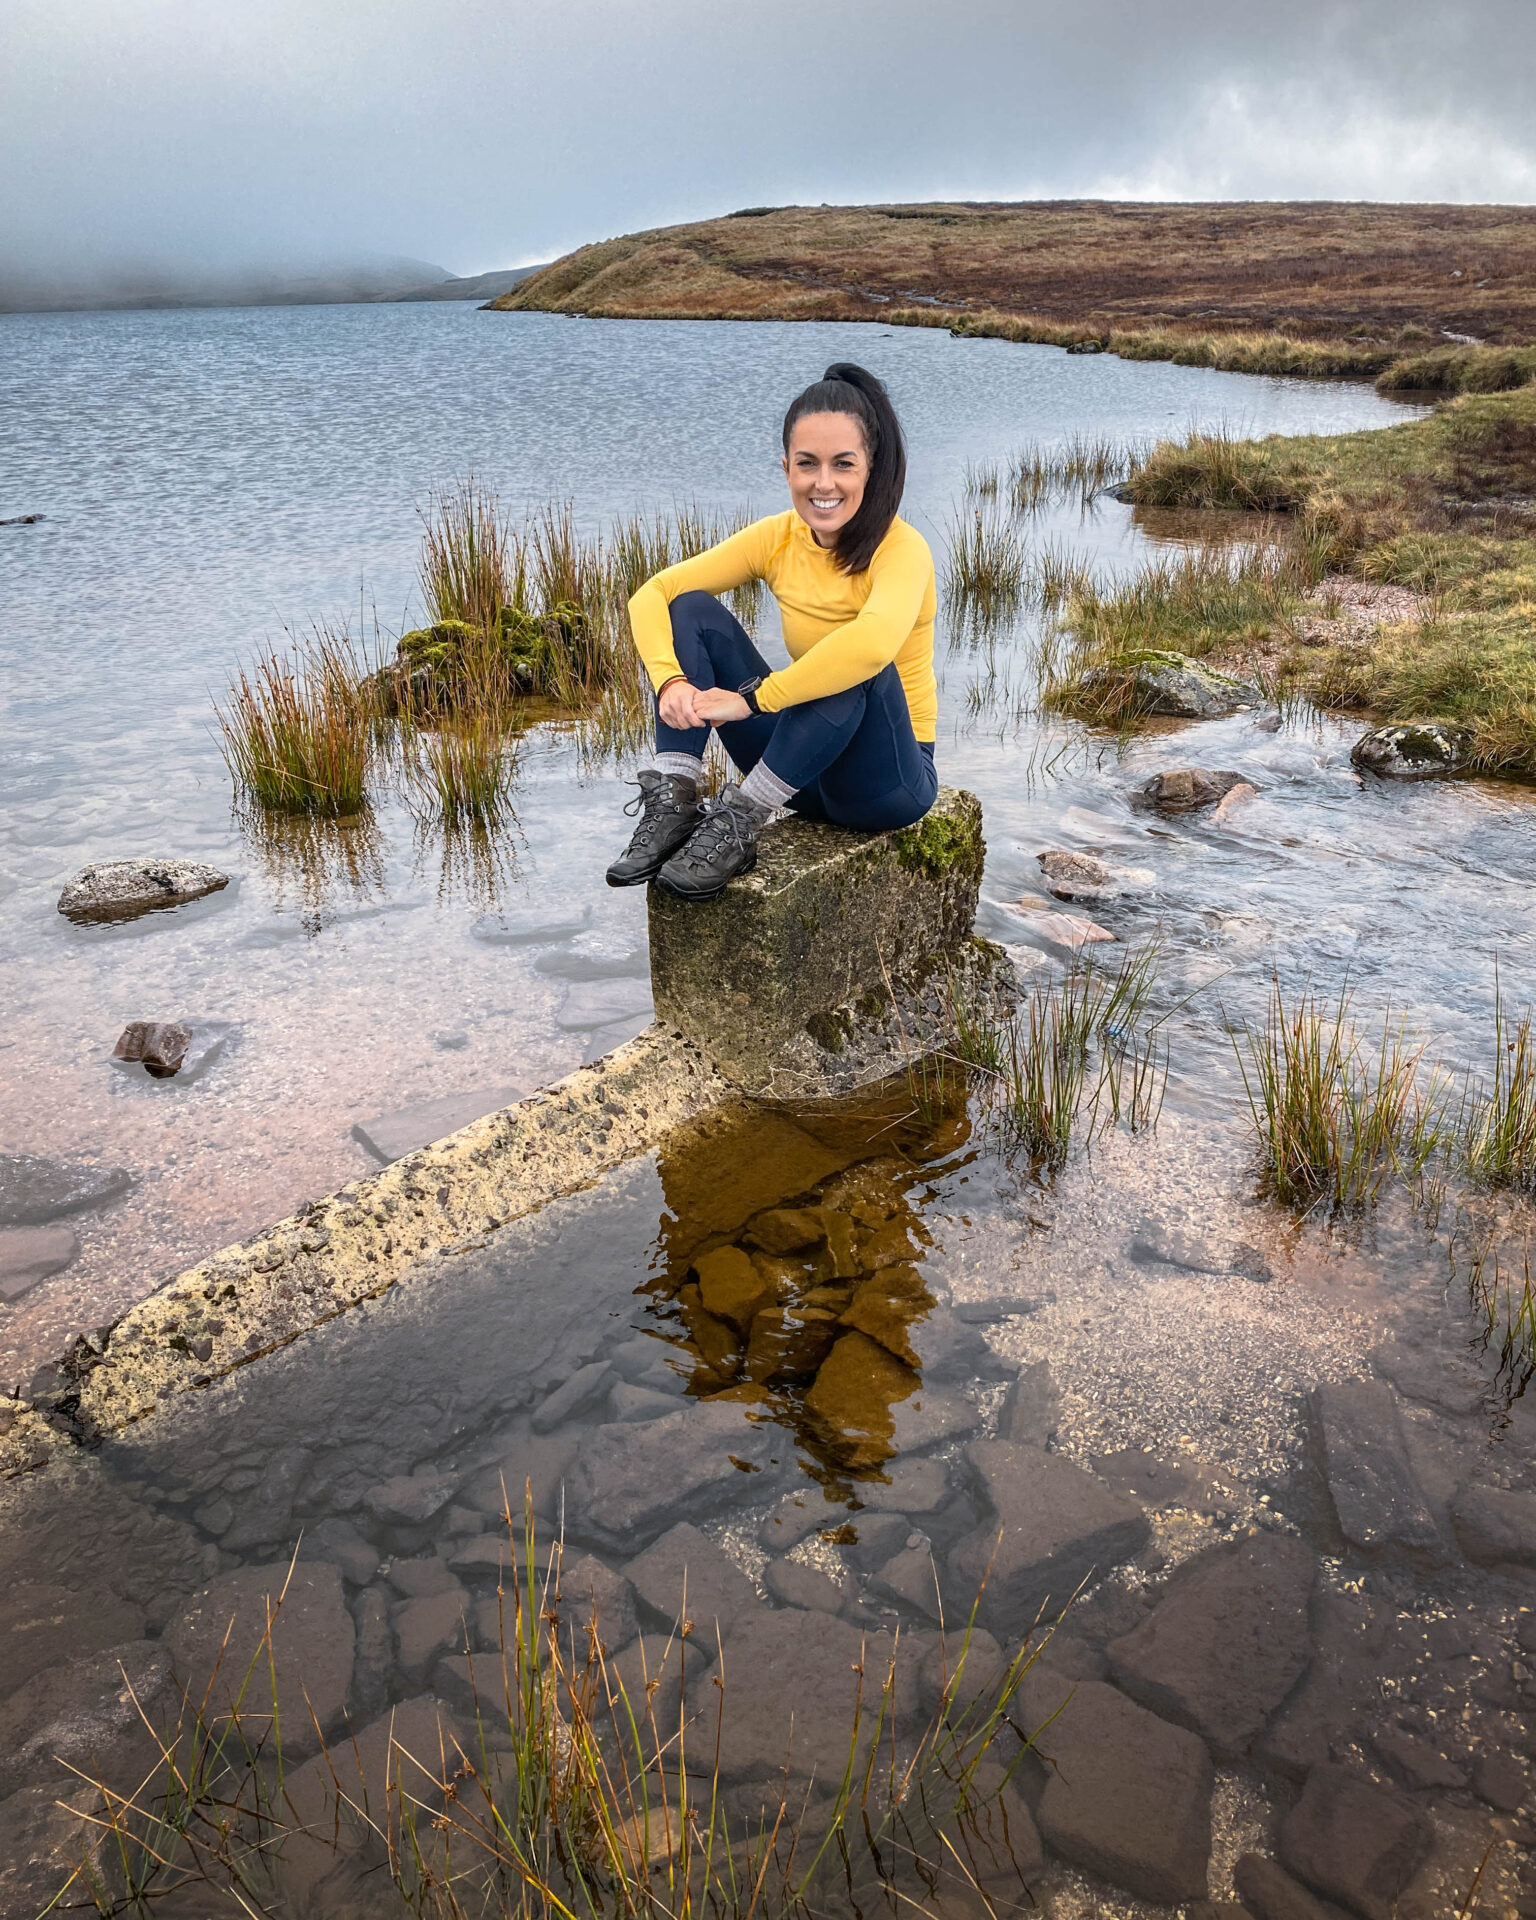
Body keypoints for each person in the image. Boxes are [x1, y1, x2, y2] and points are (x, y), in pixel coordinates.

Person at [606, 362, 938, 901]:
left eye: (842, 465)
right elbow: (653, 595)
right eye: (807, 464)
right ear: (786, 468)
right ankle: (675, 797)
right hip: (800, 773)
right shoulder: (778, 538)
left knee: (856, 662)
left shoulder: (902, 549)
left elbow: (872, 645)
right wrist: (671, 684)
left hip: (886, 785)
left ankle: (741, 820)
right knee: (690, 609)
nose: (822, 483)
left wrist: (751, 701)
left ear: (871, 471)